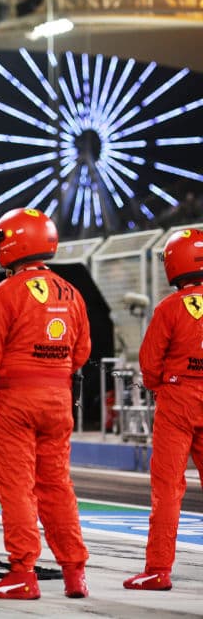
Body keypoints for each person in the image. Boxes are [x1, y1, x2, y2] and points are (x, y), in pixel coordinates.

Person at [0, 207, 90, 600]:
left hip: (15, 401)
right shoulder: (71, 292)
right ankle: (74, 574)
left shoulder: (4, 293)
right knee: (57, 487)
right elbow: (82, 350)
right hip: (58, 400)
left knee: (18, 488)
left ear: (11, 242)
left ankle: (22, 572)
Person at [124, 228, 203, 592]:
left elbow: (149, 362)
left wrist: (160, 383)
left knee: (168, 488)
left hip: (178, 400)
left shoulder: (170, 307)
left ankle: (158, 570)